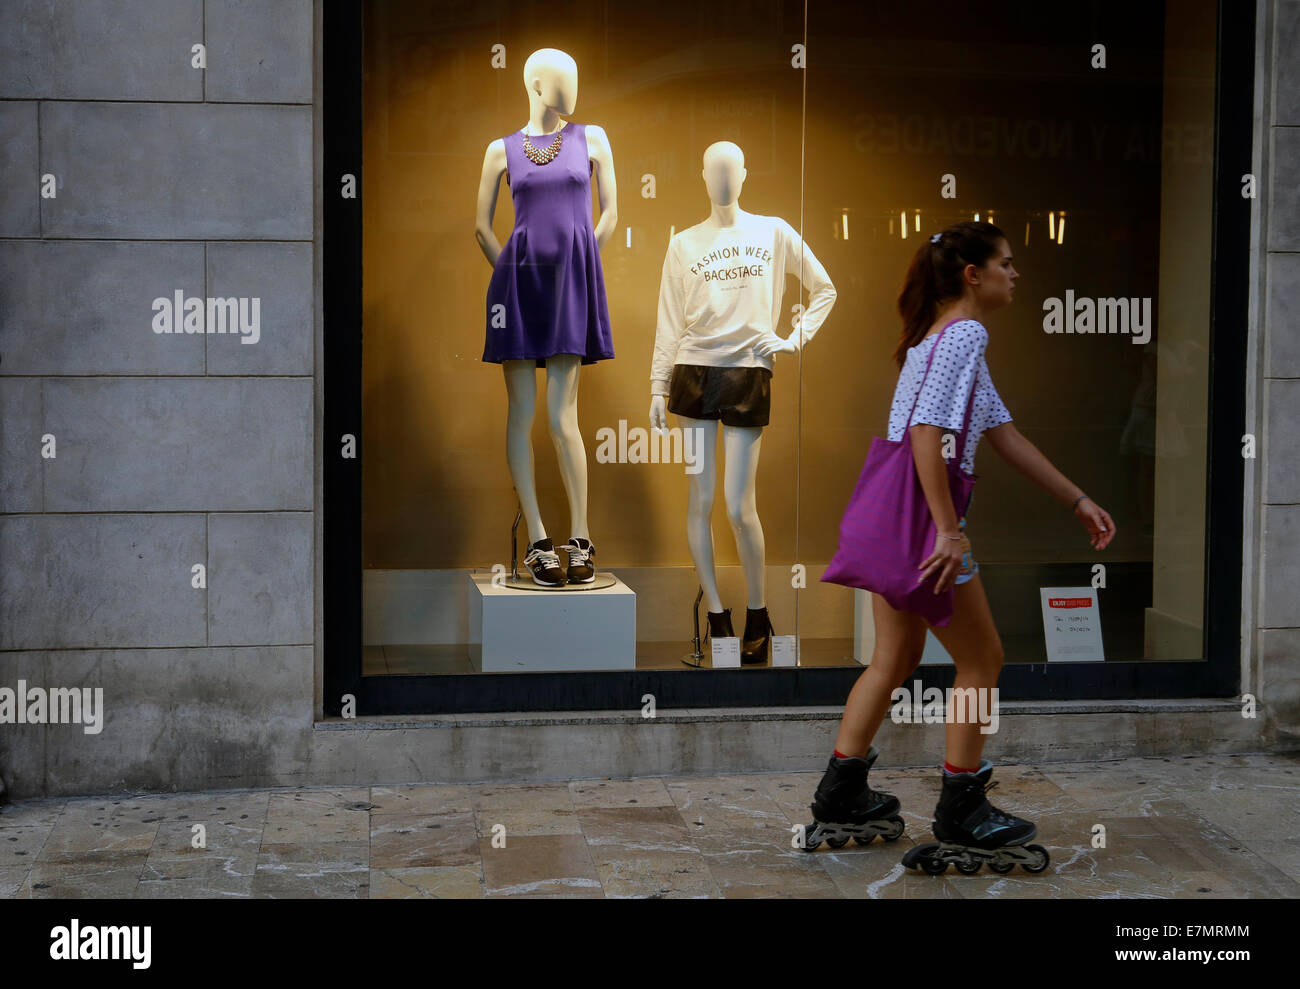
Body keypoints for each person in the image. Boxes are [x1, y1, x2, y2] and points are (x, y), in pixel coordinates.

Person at [801, 221, 1117, 874]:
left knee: (893, 658)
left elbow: (1003, 435)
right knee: (985, 658)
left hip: (892, 523)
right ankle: (961, 805)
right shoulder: (967, 334)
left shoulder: (934, 340)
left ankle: (841, 792)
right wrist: (947, 528)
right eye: (1006, 262)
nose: (1014, 273)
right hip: (927, 527)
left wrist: (1077, 497)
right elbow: (926, 431)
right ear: (973, 274)